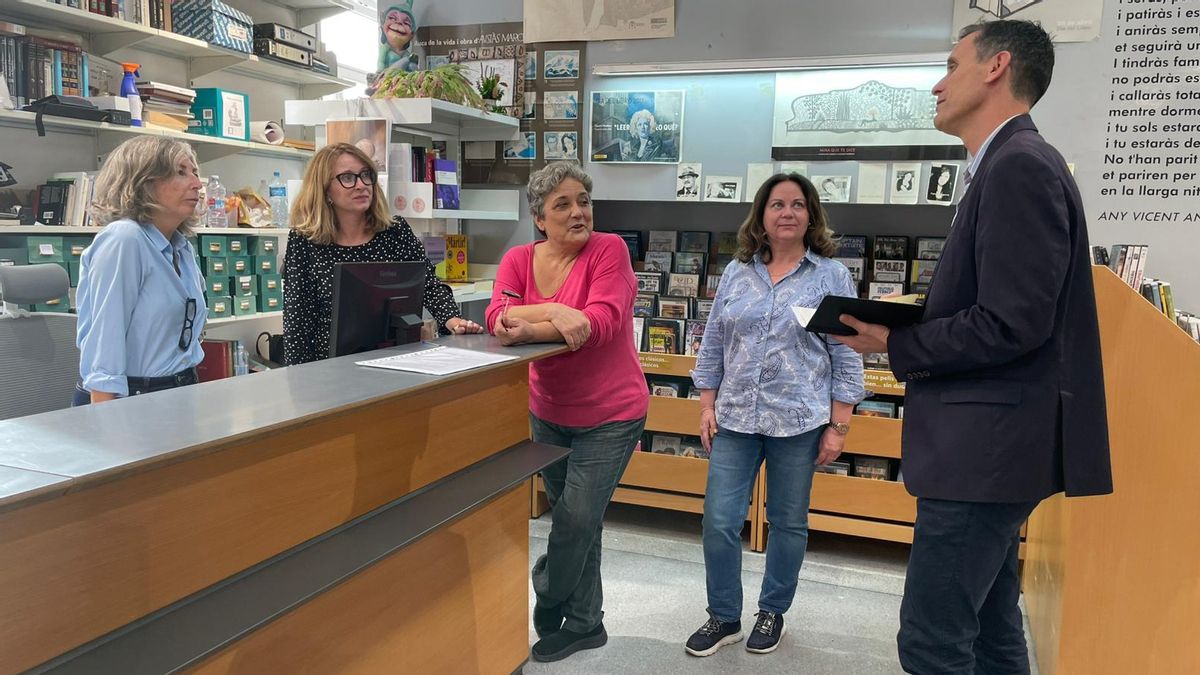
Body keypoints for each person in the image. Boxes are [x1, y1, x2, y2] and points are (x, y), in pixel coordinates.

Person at [836, 20, 1112, 675]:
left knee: (933, 643)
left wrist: (896, 340)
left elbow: (1013, 322)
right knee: (991, 631)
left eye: (951, 64)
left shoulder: (1018, 166)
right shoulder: (1007, 165)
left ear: (996, 68)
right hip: (989, 450)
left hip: (984, 454)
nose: (937, 83)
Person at [686, 173, 866, 657]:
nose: (787, 212)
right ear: (761, 215)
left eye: (798, 204)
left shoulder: (831, 276)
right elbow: (715, 342)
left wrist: (839, 425)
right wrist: (706, 404)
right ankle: (723, 616)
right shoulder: (736, 272)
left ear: (811, 216)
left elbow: (847, 354)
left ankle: (773, 611)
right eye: (777, 204)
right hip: (735, 420)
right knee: (719, 520)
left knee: (788, 522)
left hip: (800, 422)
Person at [484, 161, 648, 663]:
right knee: (581, 523)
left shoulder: (609, 250)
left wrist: (527, 324)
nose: (578, 212)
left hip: (611, 414)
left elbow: (600, 322)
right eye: (563, 204)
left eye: (584, 201)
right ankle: (584, 623)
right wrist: (554, 311)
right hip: (547, 412)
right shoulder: (517, 259)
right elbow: (494, 317)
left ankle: (548, 586)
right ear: (539, 217)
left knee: (575, 521)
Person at [283, 143, 482, 365]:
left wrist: (451, 319)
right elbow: (297, 321)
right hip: (330, 369)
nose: (361, 185)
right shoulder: (304, 241)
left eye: (365, 175)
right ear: (324, 189)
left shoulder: (394, 231)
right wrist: (299, 380)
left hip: (396, 359)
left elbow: (428, 284)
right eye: (347, 178)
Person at [74, 136, 207, 405]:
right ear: (144, 182)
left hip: (181, 392)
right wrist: (105, 426)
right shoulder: (125, 239)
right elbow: (105, 341)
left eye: (194, 172)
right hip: (129, 399)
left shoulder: (180, 246)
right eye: (180, 172)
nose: (197, 183)